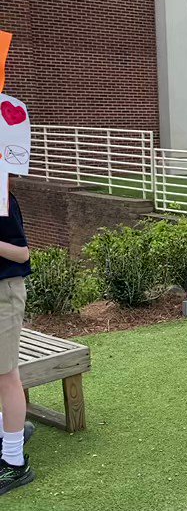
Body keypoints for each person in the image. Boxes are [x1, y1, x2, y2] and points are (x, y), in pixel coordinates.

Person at [0, 191, 36, 496]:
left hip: (4, 294)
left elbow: (22, 253)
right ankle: (9, 430)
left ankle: (14, 462)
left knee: (5, 374)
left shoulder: (2, 199)